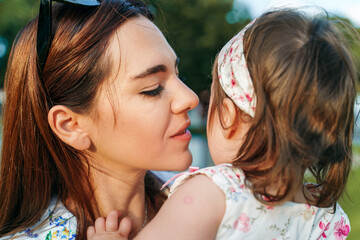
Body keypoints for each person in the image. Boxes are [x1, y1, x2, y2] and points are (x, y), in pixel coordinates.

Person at [87, 9, 356, 240]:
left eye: (213, 96)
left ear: (228, 115)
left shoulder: (213, 194)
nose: (192, 99)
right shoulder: (327, 214)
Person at [0, 0, 199, 239]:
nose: (190, 98)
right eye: (153, 88)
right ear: (71, 125)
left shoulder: (209, 202)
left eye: (179, 74)